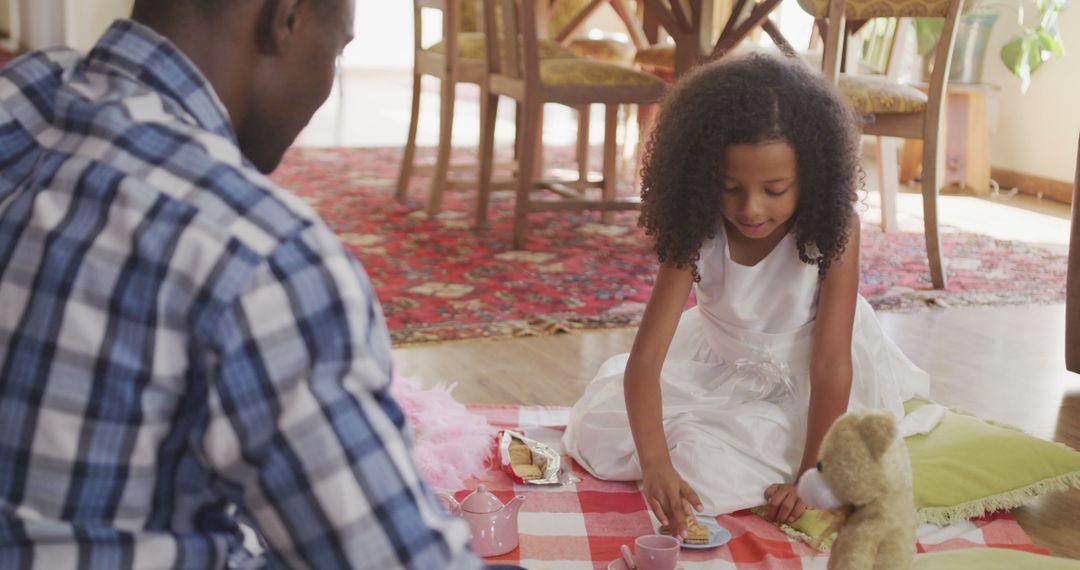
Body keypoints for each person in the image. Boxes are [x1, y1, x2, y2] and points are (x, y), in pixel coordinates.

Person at [0, 1, 482, 568]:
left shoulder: (21, 97)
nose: (328, 78)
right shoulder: (260, 252)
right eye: (337, 51)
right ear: (287, 19)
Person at [561, 53, 931, 540]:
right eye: (729, 188)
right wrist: (655, 467)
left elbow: (830, 366)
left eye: (775, 189)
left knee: (703, 472)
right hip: (723, 361)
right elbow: (646, 359)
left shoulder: (835, 228)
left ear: (813, 178)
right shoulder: (696, 227)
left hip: (817, 385)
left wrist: (810, 474)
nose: (751, 208)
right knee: (602, 434)